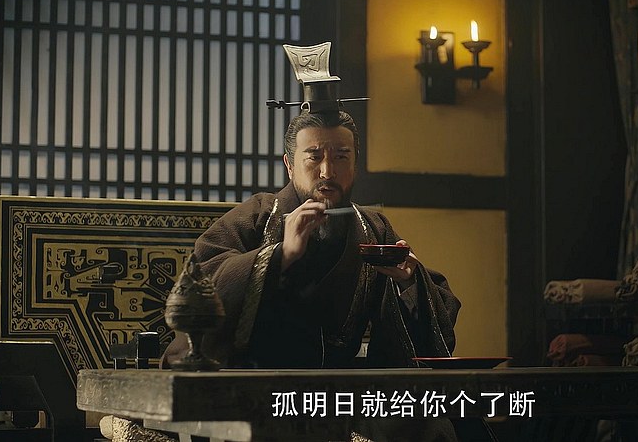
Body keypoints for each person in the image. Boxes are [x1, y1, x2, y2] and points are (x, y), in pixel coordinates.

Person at [161, 109, 461, 370]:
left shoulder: (372, 227)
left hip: (338, 388)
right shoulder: (259, 215)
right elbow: (202, 280)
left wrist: (408, 282)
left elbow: (431, 314)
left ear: (355, 164)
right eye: (314, 157)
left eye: (341, 157)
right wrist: (280, 255)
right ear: (289, 165)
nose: (327, 171)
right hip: (253, 382)